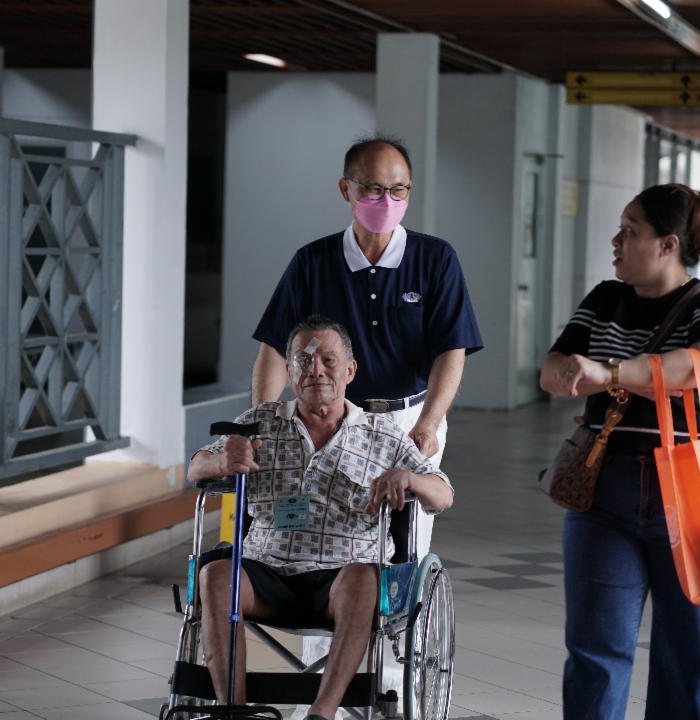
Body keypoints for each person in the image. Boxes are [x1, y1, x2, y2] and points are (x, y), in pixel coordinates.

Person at [250, 135, 481, 695]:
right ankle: (325, 671)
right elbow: (275, 350)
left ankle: (391, 682)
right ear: (346, 190)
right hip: (327, 423)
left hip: (404, 421)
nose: (387, 201)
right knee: (311, 535)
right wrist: (263, 421)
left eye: (399, 190)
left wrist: (429, 422)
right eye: (374, 189)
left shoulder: (434, 259)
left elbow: (451, 350)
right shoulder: (313, 261)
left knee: (401, 548)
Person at [539, 183, 700, 720]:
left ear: (668, 244)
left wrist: (608, 372)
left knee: (691, 657)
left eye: (630, 231)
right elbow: (552, 369)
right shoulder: (604, 299)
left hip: (696, 491)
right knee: (595, 652)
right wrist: (577, 372)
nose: (616, 241)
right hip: (602, 492)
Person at [188, 316, 454, 720]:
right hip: (265, 572)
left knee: (365, 579)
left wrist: (410, 478)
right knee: (215, 575)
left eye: (329, 360)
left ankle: (322, 713)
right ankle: (234, 711)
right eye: (304, 361)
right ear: (289, 370)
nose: (316, 370)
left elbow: (444, 494)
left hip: (341, 579)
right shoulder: (259, 424)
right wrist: (222, 461)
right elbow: (195, 467)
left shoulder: (381, 434)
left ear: (350, 370)